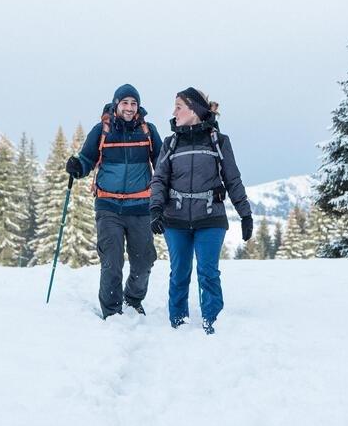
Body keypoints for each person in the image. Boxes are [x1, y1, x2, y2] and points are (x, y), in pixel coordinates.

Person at [149, 88, 252, 335]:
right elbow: (159, 179)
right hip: (175, 219)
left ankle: (213, 322)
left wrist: (245, 214)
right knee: (179, 272)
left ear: (194, 110)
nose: (174, 112)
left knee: (208, 272)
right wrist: (156, 209)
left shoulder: (218, 141)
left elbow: (232, 179)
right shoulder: (170, 143)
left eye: (178, 107)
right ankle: (178, 323)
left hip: (210, 218)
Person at [66, 84, 163, 319]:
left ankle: (133, 299)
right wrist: (78, 167)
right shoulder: (102, 130)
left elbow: (162, 164)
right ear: (116, 104)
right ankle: (112, 312)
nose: (129, 108)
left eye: (134, 103)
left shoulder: (148, 131)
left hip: (140, 207)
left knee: (144, 261)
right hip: (108, 206)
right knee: (112, 261)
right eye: (125, 103)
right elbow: (87, 159)